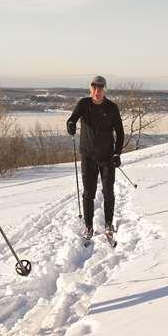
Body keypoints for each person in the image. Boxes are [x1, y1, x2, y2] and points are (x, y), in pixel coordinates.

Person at [66, 75, 124, 238]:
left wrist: (117, 153)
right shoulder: (83, 104)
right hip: (88, 156)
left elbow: (120, 133)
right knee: (89, 193)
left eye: (100, 88)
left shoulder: (112, 107)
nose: (97, 91)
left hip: (107, 158)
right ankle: (88, 226)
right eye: (94, 88)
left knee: (108, 192)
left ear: (104, 89)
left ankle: (108, 224)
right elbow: (71, 120)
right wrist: (70, 125)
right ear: (90, 89)